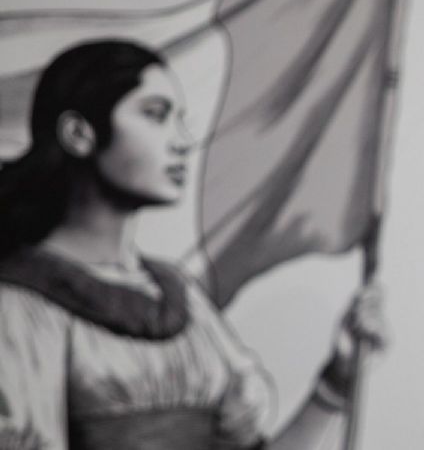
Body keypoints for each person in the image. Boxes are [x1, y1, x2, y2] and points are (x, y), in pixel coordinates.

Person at [0, 40, 383, 449]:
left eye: (180, 119)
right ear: (79, 134)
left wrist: (337, 382)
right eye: (155, 115)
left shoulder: (182, 299)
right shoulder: (19, 306)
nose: (182, 140)